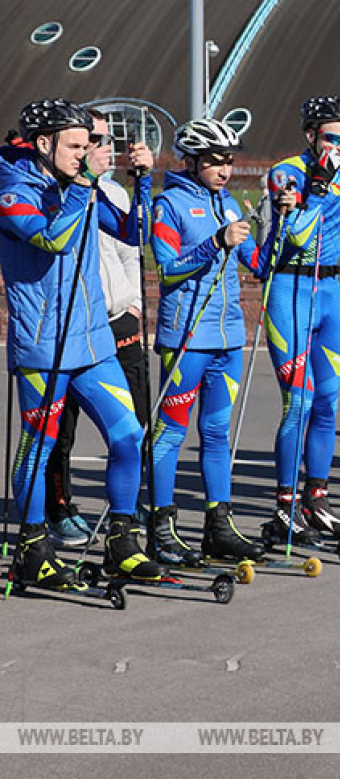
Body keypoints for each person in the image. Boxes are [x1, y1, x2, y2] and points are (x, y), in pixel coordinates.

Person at [0, 99, 161, 586]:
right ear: (44, 144)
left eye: (90, 143)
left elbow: (137, 234)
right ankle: (31, 544)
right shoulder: (13, 191)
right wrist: (84, 186)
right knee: (40, 447)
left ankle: (121, 539)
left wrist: (141, 181)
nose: (86, 152)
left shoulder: (81, 187)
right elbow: (53, 240)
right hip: (43, 347)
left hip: (93, 343)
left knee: (130, 435)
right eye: (76, 145)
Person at [147, 118, 275, 565]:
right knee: (171, 433)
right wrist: (216, 242)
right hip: (185, 336)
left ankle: (218, 525)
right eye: (214, 161)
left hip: (228, 336)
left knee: (217, 432)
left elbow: (261, 264)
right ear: (192, 160)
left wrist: (279, 218)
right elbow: (167, 269)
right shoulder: (170, 205)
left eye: (228, 161)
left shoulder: (227, 204)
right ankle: (161, 528)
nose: (223, 169)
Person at [264, 95, 340, 541]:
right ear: (312, 135)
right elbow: (295, 235)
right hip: (292, 290)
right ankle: (284, 505)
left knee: (328, 401)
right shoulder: (287, 172)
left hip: (329, 291)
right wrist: (315, 189)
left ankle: (317, 499)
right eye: (333, 139)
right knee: (299, 401)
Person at [36, 111, 149, 547]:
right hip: (70, 326)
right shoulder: (57, 192)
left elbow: (130, 247)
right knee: (59, 432)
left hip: (119, 321)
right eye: (91, 140)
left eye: (104, 140)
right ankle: (58, 507)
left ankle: (126, 513)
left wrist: (136, 304)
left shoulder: (112, 192)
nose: (102, 148)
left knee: (132, 423)